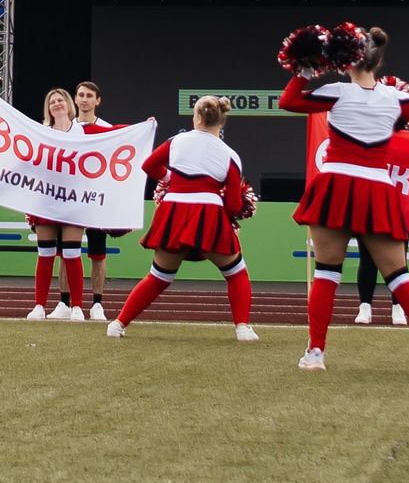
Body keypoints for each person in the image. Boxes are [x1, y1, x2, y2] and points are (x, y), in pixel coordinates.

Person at [279, 24, 409, 372]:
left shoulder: (335, 91)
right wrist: (397, 108)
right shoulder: (394, 98)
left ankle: (316, 353)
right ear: (377, 62)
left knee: (326, 274)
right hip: (376, 189)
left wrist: (305, 70)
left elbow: (288, 102)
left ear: (345, 61)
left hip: (335, 186)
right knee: (399, 275)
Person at [105, 96, 258, 342]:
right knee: (236, 272)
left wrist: (169, 179)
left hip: (173, 211)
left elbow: (149, 166)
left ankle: (118, 323)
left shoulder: (176, 141)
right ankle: (242, 327)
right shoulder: (230, 155)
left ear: (197, 117)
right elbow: (231, 204)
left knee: (158, 277)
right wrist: (236, 209)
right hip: (209, 214)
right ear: (222, 121)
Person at [24, 89, 91, 321]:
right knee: (45, 254)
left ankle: (77, 307)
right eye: (52, 102)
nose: (56, 104)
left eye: (60, 100)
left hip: (73, 199)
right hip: (47, 198)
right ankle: (39, 306)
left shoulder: (82, 131)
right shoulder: (41, 132)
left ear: (68, 103)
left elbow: (111, 138)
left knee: (72, 254)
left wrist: (145, 127)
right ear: (48, 108)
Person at [75, 81, 134, 318]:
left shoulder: (108, 129)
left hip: (95, 198)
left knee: (98, 253)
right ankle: (65, 302)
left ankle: (97, 303)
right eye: (81, 95)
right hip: (69, 198)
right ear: (75, 99)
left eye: (90, 95)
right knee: (66, 252)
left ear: (97, 101)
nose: (85, 99)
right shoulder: (65, 129)